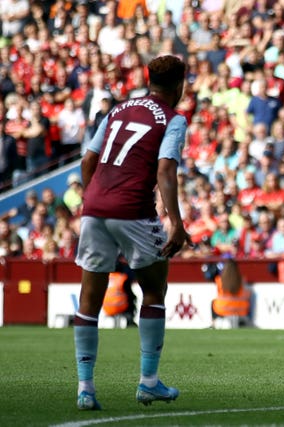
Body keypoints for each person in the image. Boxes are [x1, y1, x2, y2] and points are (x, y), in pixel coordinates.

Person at [73, 55, 191, 410]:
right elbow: (165, 170)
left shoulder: (119, 109)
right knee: (154, 290)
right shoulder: (173, 119)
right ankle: (148, 382)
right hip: (133, 210)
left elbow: (87, 161)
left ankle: (85, 389)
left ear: (147, 77)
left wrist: (94, 197)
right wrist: (177, 221)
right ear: (180, 85)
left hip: (94, 208)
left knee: (89, 300)